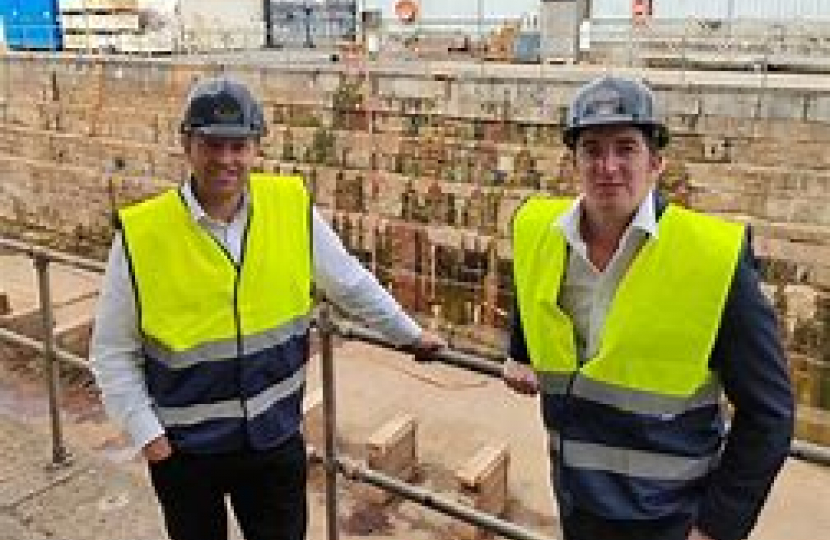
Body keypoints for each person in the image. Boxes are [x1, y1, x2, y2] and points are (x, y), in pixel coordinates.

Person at [90, 75, 444, 540]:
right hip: (186, 453)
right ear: (187, 145)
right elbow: (112, 351)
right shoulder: (143, 234)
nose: (225, 159)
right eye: (211, 144)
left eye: (238, 146)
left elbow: (350, 283)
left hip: (273, 441)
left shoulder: (290, 208)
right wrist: (150, 440)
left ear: (256, 148)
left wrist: (410, 335)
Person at [503, 75, 794, 540]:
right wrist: (519, 350)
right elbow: (530, 282)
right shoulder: (539, 230)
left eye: (626, 148)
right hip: (577, 503)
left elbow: (770, 413)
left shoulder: (711, 261)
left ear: (656, 162)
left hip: (670, 519)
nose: (608, 166)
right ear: (573, 162)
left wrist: (717, 527)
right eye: (592, 149)